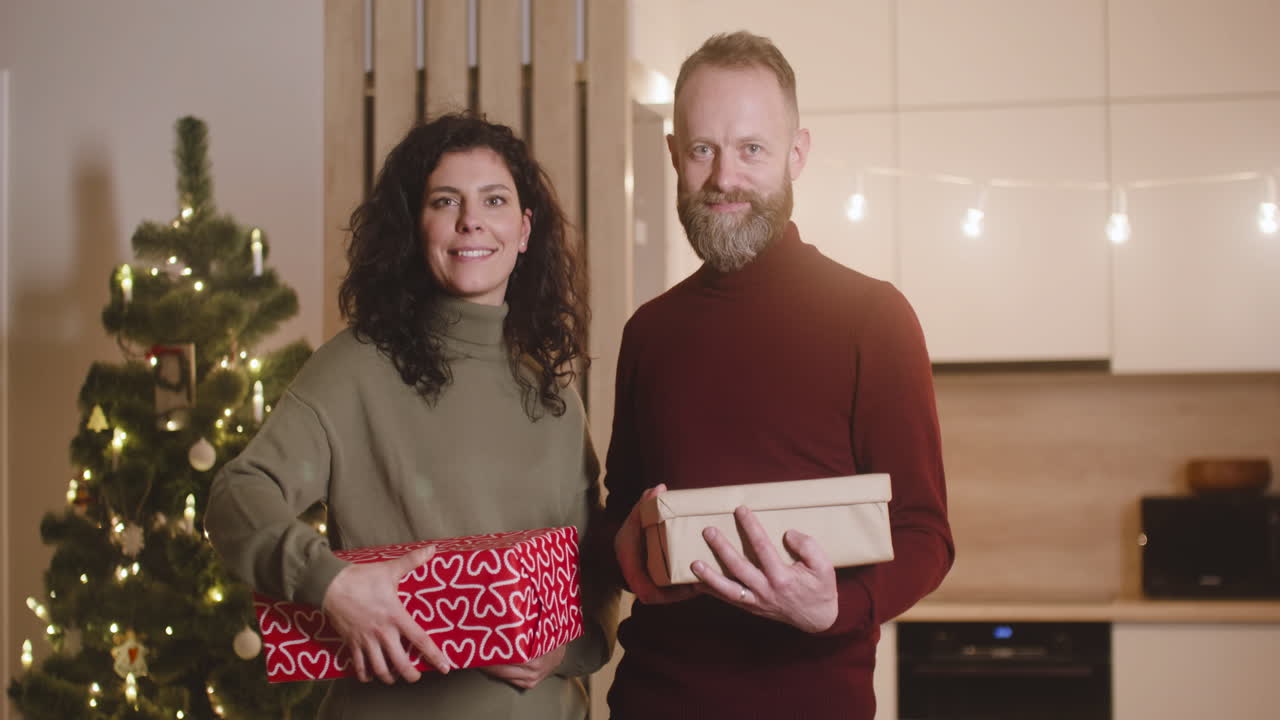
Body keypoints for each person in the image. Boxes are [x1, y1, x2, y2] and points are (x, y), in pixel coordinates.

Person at [205, 112, 616, 720]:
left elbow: (592, 561)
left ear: (524, 230)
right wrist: (331, 583)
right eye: (445, 200)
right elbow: (236, 495)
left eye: (494, 200)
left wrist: (566, 647)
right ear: (414, 227)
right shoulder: (353, 368)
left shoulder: (551, 388)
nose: (471, 219)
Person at [600, 31, 954, 719]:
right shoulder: (648, 331)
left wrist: (840, 606)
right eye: (703, 149)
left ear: (797, 154)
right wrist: (627, 552)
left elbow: (925, 533)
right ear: (675, 155)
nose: (724, 177)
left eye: (751, 150)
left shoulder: (873, 317)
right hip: (653, 702)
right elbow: (624, 514)